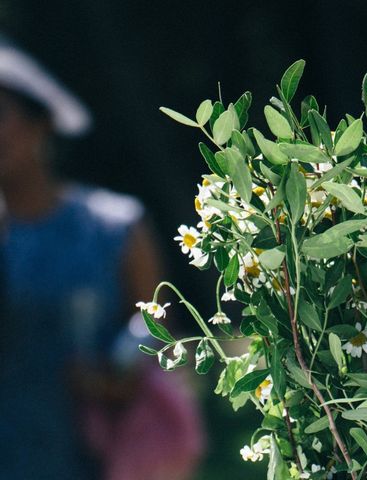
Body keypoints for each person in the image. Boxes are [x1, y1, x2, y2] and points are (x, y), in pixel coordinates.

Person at [0, 36, 203, 479]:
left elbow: (156, 325)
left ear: (43, 123)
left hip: (103, 452)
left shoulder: (113, 226)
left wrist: (120, 373)